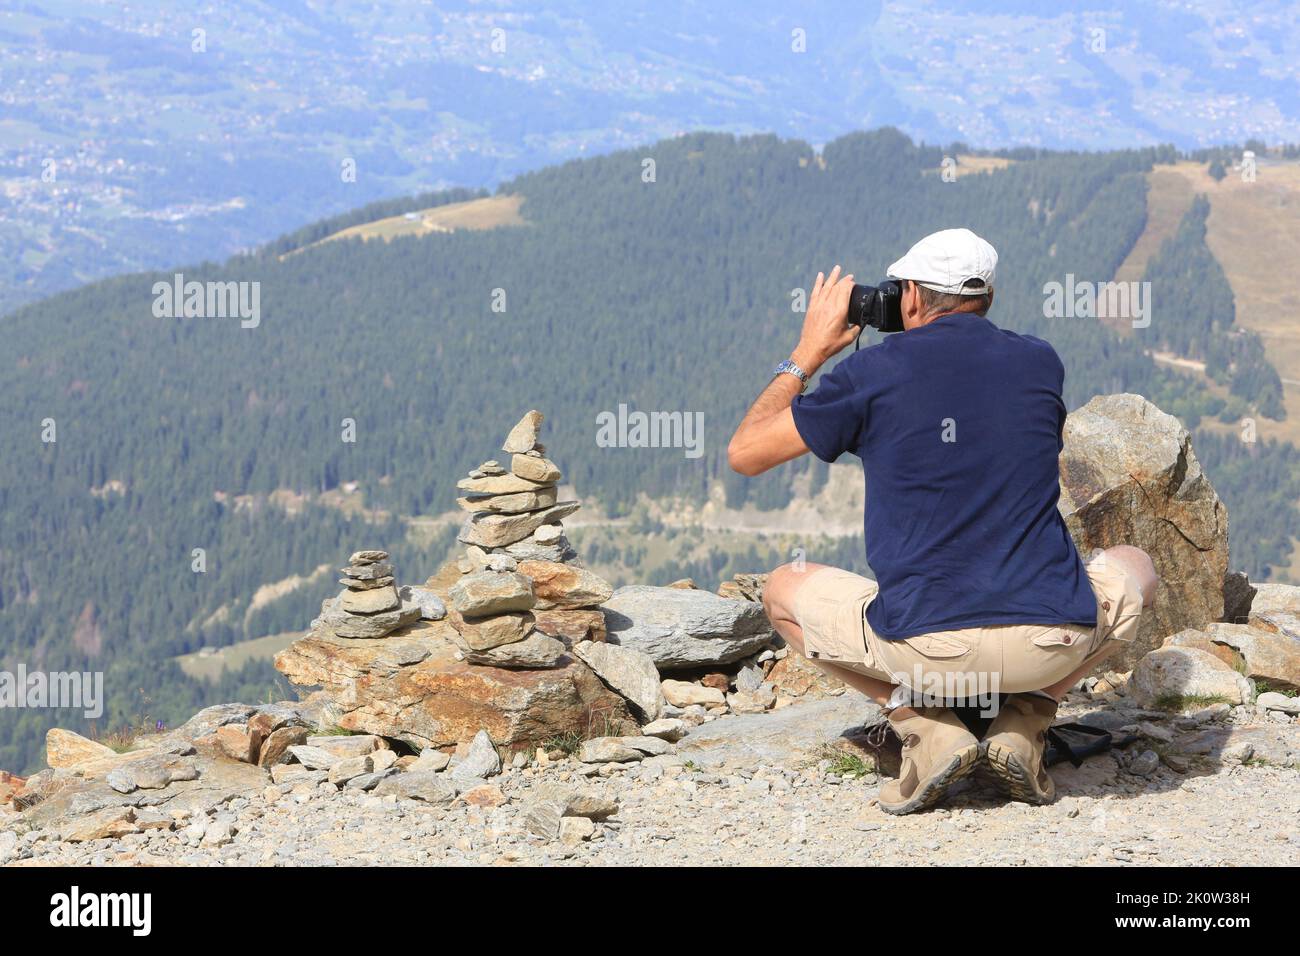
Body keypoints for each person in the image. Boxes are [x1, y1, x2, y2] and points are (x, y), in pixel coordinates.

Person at [726, 229, 1157, 815]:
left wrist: (808, 352)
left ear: (908, 297)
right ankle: (1025, 722)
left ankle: (925, 728)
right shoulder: (1040, 361)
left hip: (927, 649)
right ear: (986, 298)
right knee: (1136, 565)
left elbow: (745, 453)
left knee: (782, 589)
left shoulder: (871, 373)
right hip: (1050, 642)